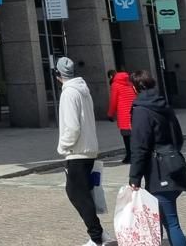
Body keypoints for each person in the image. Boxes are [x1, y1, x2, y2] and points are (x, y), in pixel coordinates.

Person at [128, 71, 186, 246]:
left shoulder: (141, 110)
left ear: (135, 88)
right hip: (174, 165)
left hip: (159, 172)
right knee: (163, 220)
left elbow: (139, 147)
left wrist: (134, 177)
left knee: (171, 222)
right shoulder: (164, 105)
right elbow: (178, 136)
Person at [54, 57, 104, 246]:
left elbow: (72, 127)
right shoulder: (83, 91)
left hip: (77, 150)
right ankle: (99, 233)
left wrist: (63, 146)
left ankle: (96, 236)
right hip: (88, 148)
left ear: (58, 74)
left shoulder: (68, 94)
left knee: (77, 194)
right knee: (83, 193)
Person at [107, 66, 136, 165]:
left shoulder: (115, 85)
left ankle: (129, 156)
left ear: (111, 76)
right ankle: (135, 155)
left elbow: (113, 101)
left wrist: (110, 114)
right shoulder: (130, 82)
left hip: (124, 114)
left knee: (126, 137)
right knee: (134, 136)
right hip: (134, 112)